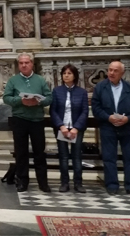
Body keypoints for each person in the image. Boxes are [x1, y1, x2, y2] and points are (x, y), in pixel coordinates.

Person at [2, 52, 53, 192]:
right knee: (21, 153)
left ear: (32, 64)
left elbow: (49, 98)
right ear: (18, 65)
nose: (24, 65)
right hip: (20, 120)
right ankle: (22, 181)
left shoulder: (40, 80)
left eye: (27, 62)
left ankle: (43, 182)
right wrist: (21, 101)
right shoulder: (13, 81)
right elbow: (6, 98)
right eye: (21, 63)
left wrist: (38, 101)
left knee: (39, 153)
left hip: (37, 120)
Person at [91, 61, 130, 195]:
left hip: (127, 128)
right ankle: (112, 185)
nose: (111, 73)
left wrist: (128, 118)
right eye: (110, 70)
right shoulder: (100, 87)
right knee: (109, 157)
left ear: (122, 73)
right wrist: (108, 117)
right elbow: (96, 107)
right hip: (108, 126)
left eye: (115, 71)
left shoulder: (129, 88)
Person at [49, 64, 88, 193]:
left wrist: (76, 127)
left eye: (69, 73)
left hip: (76, 128)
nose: (66, 75)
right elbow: (53, 111)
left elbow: (84, 111)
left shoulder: (81, 92)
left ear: (75, 76)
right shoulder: (57, 91)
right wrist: (61, 126)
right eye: (64, 73)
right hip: (62, 128)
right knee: (63, 156)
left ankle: (78, 183)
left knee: (76, 156)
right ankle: (64, 182)